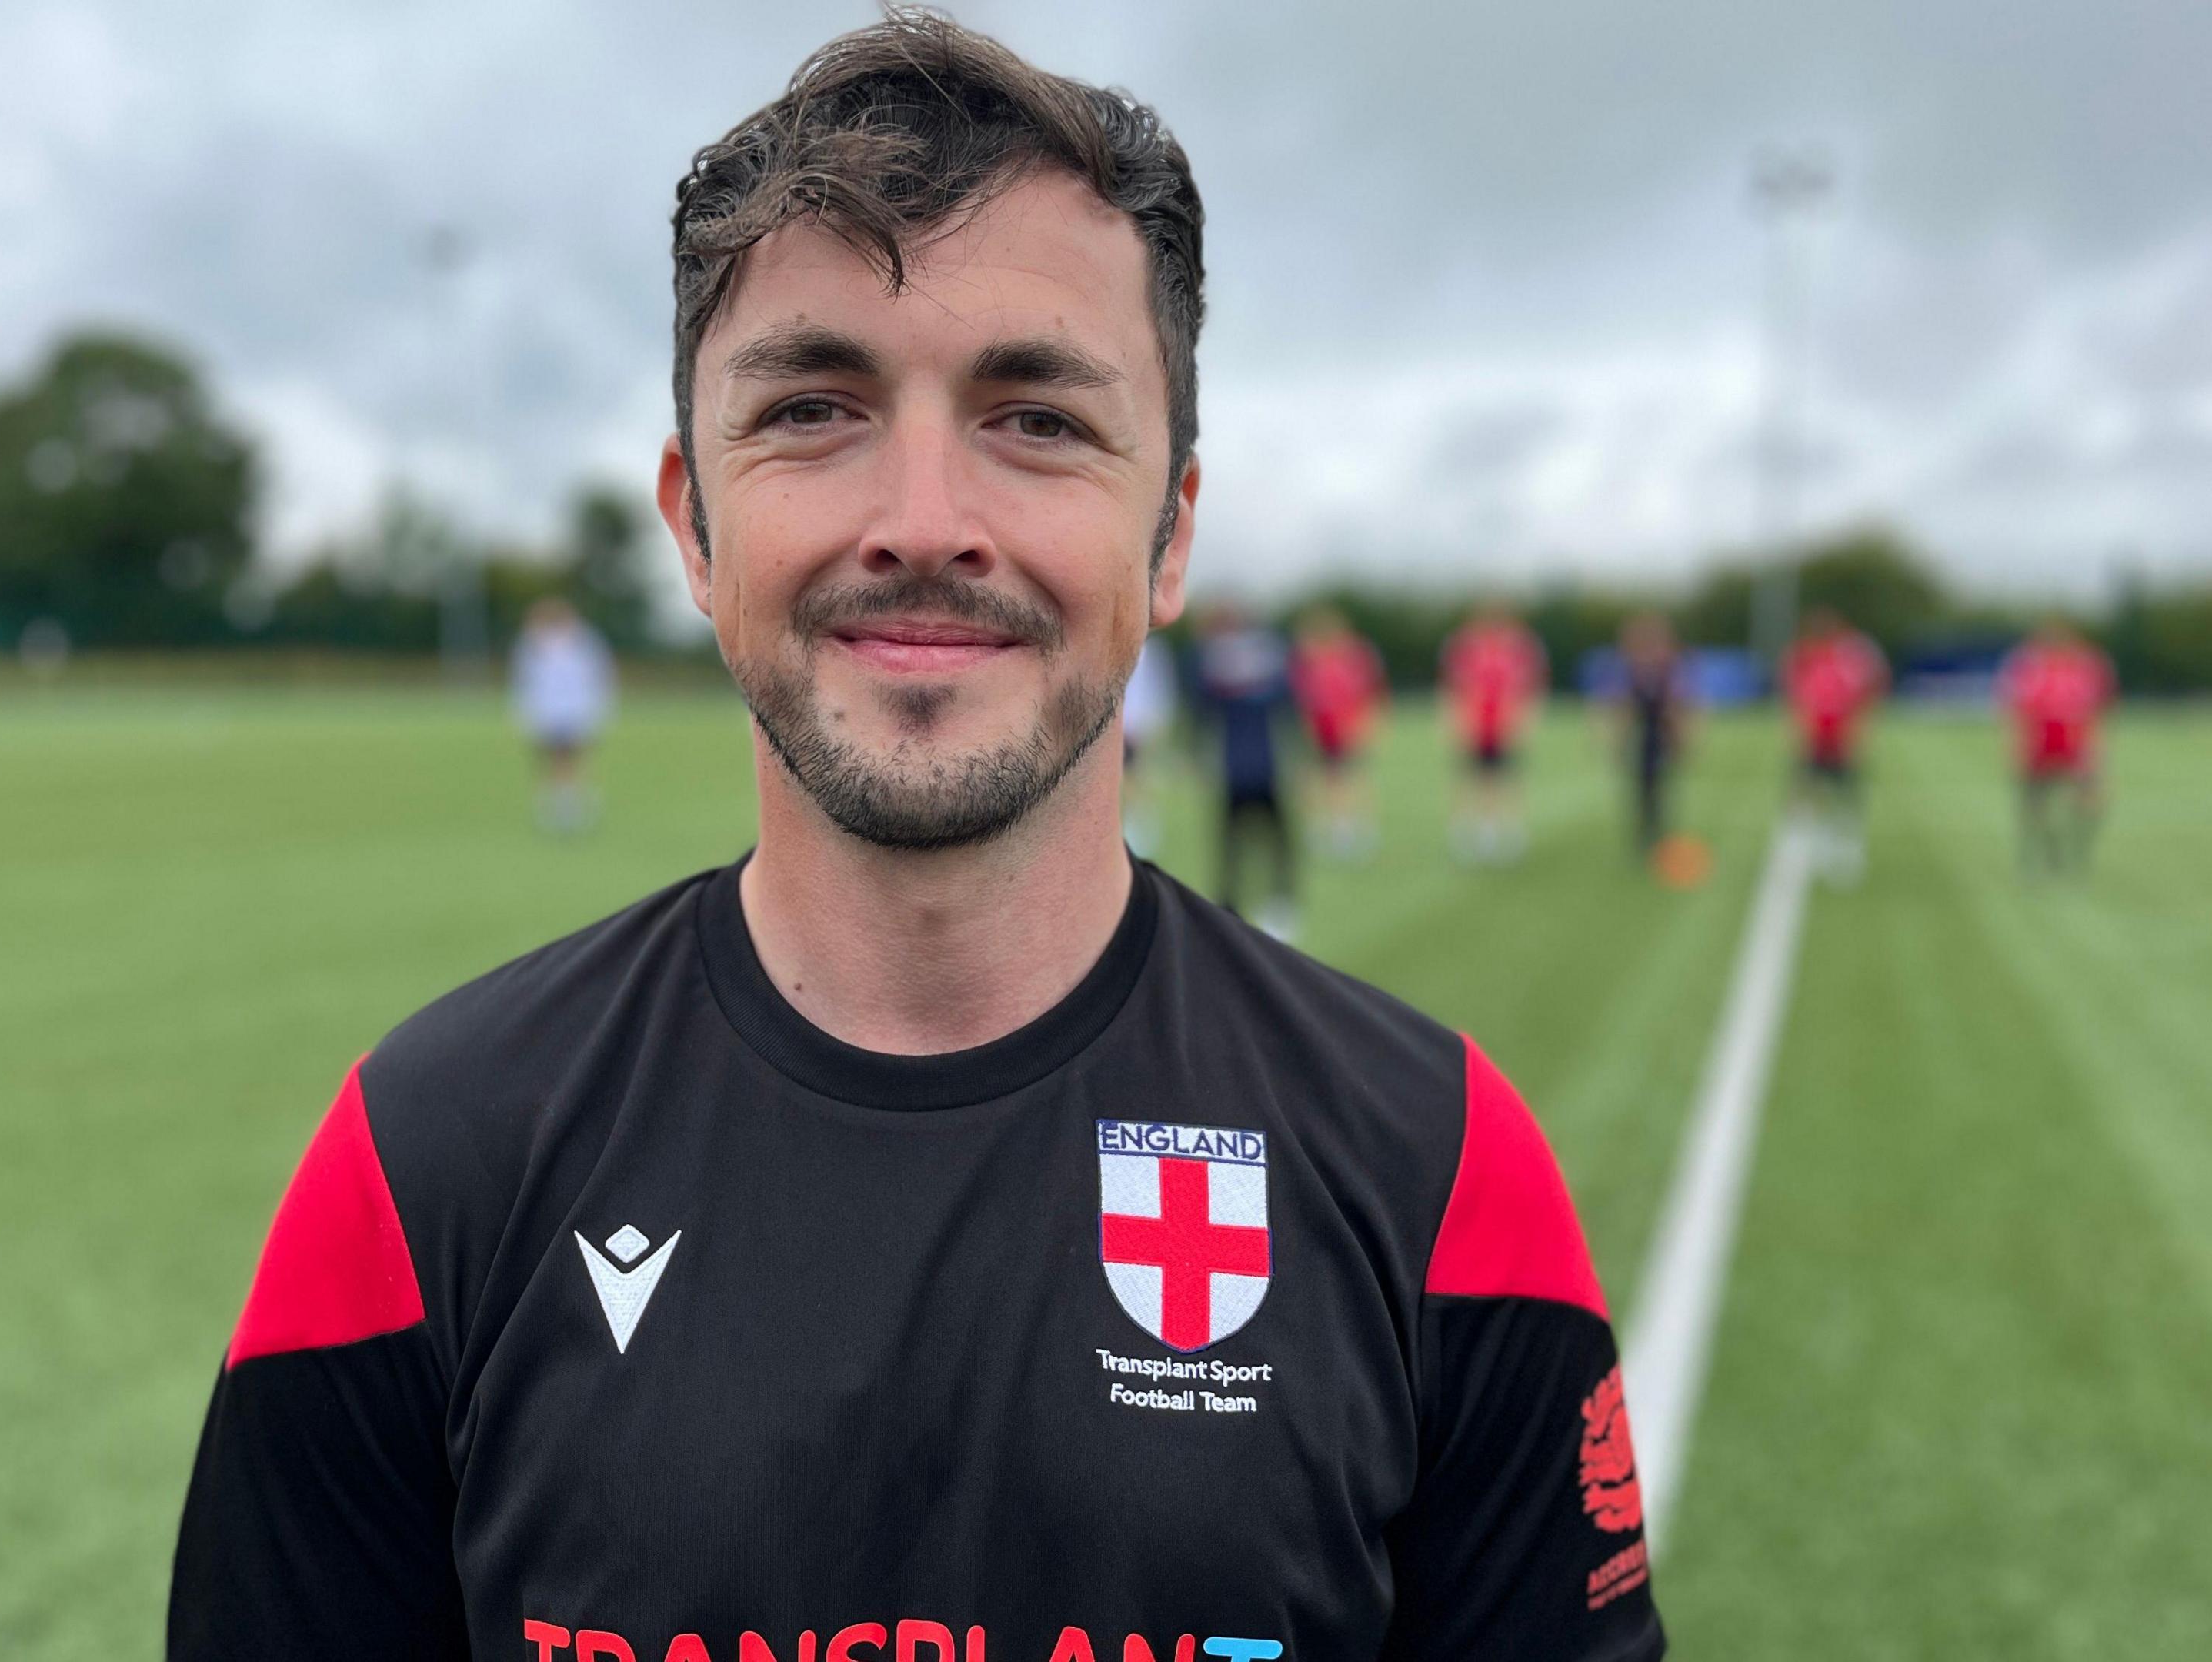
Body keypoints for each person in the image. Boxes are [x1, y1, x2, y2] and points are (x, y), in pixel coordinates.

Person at [168, 18, 1662, 1662]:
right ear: (692, 523)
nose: (925, 521)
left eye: (1037, 417)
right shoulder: (421, 1165)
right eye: (815, 407)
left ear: (1170, 534)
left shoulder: (1444, 1175)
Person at [1189, 598, 1301, 940]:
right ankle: (1269, 904)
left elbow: (1202, 711)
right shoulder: (1263, 663)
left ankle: (1254, 904)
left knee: (1251, 844)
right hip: (1251, 768)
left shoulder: (1220, 667)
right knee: (1259, 844)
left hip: (1246, 768)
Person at [1998, 616, 2116, 876]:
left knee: (2090, 804)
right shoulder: (2029, 667)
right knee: (2035, 805)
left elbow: (2098, 710)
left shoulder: (2087, 667)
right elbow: (2015, 709)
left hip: (2076, 745)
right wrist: (2016, 746)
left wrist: (2098, 750)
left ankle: (2076, 853)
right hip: (2040, 745)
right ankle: (2042, 853)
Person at [1779, 606, 1887, 883]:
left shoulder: (1850, 660)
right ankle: (1802, 849)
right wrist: (1797, 732)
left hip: (1841, 739)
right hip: (1814, 738)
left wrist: (1860, 735)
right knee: (1805, 794)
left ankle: (1846, 850)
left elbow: (1865, 698)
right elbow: (1795, 698)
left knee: (1844, 796)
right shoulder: (1802, 658)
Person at [1440, 600, 1545, 864]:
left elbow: (1530, 689)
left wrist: (1522, 722)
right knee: (1472, 778)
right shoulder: (1465, 649)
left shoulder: (1519, 649)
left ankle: (1510, 830)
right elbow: (1453, 688)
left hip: (1504, 726)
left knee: (1506, 778)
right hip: (1475, 725)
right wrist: (1457, 721)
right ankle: (1471, 830)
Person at [510, 596, 617, 831]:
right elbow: (524, 681)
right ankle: (555, 805)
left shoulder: (584, 642)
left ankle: (576, 803)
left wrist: (599, 708)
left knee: (575, 760)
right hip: (547, 711)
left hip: (576, 709)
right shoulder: (532, 644)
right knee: (550, 761)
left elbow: (599, 675)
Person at [1288, 606, 1387, 860]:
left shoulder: (1354, 658)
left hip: (1346, 728)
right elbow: (1302, 698)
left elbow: (1369, 693)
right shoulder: (1308, 661)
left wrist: (1366, 726)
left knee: (1349, 778)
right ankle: (1321, 827)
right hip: (1319, 729)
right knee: (1316, 781)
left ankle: (1354, 828)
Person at [1612, 611, 1687, 863]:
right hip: (1643, 735)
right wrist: (1619, 739)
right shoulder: (1634, 669)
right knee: (1643, 788)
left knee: (1658, 787)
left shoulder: (1667, 668)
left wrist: (1679, 735)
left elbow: (1674, 705)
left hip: (1661, 735)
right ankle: (1647, 835)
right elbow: (1626, 707)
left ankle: (1657, 835)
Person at [1118, 630, 1178, 857]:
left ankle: (1141, 826)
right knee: (1127, 778)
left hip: (1138, 724)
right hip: (1122, 724)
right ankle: (1137, 824)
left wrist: (1153, 723)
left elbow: (1158, 689)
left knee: (1135, 777)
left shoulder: (1153, 652)